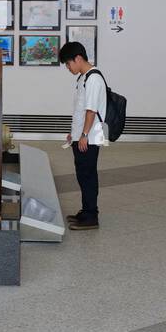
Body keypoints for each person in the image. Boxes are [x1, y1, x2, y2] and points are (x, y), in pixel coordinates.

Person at [60, 41, 106, 231]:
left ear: (78, 59)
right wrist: (75, 132)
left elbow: (91, 111)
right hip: (81, 136)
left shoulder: (93, 78)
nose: (68, 68)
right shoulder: (83, 77)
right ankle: (86, 211)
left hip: (90, 137)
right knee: (82, 175)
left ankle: (91, 216)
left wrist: (85, 134)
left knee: (87, 176)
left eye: (68, 64)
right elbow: (79, 110)